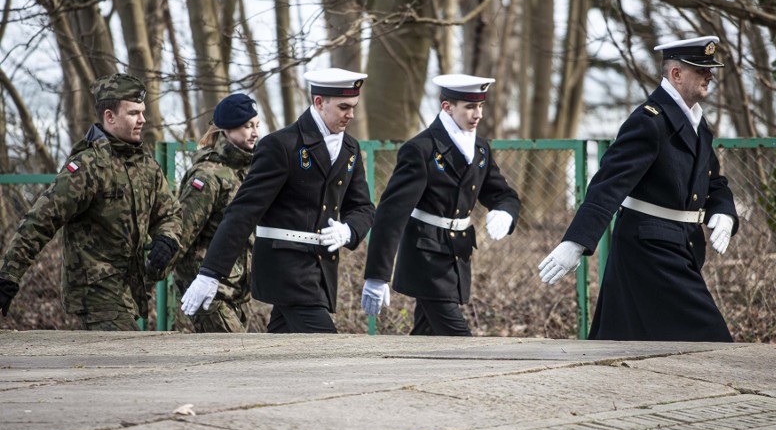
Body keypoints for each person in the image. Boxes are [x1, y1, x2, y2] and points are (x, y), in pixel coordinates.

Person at [538, 35, 738, 342]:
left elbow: (714, 181)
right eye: (701, 69)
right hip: (651, 248)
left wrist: (724, 213)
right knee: (711, 339)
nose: (710, 75)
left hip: (679, 245)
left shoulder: (699, 125)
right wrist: (576, 242)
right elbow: (608, 184)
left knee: (624, 340)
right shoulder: (649, 122)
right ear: (676, 74)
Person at [179, 68, 375, 333]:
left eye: (353, 107)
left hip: (321, 270)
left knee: (282, 350)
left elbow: (362, 207)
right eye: (343, 107)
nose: (350, 114)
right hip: (287, 270)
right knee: (326, 348)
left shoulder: (350, 148)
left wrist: (349, 230)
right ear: (319, 102)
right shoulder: (281, 145)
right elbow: (243, 211)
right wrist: (211, 272)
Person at [0, 73, 182, 331]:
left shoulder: (145, 165)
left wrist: (167, 238)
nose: (142, 119)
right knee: (129, 359)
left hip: (129, 291)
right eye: (133, 113)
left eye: (142, 112)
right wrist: (8, 275)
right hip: (94, 292)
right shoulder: (88, 167)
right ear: (109, 116)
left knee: (123, 364)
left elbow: (170, 214)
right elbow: (40, 220)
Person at [362, 73, 521, 336]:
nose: (478, 114)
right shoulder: (421, 149)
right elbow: (391, 214)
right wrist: (378, 275)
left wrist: (505, 211)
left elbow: (502, 194)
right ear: (447, 107)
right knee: (459, 340)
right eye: (470, 106)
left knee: (427, 338)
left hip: (457, 254)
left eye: (480, 106)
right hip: (426, 258)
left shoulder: (480, 148)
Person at [172, 93, 260, 332]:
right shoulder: (208, 175)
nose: (254, 132)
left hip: (234, 287)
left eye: (256, 126)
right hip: (206, 290)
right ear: (227, 129)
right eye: (247, 126)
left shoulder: (245, 172)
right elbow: (182, 233)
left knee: (228, 363)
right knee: (235, 359)